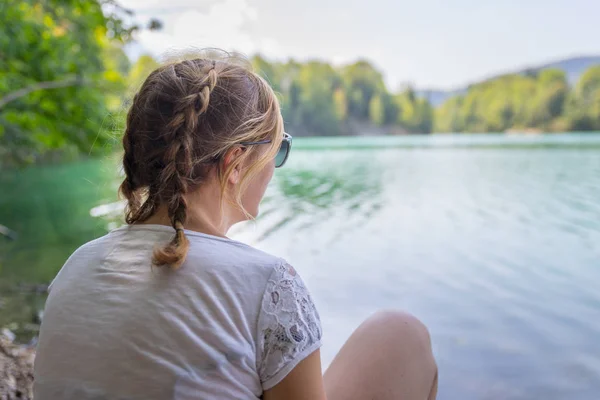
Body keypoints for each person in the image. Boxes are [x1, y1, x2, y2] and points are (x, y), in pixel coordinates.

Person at [33, 53, 438, 400]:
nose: (275, 170)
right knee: (401, 334)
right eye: (278, 150)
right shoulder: (268, 284)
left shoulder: (77, 264)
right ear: (235, 164)